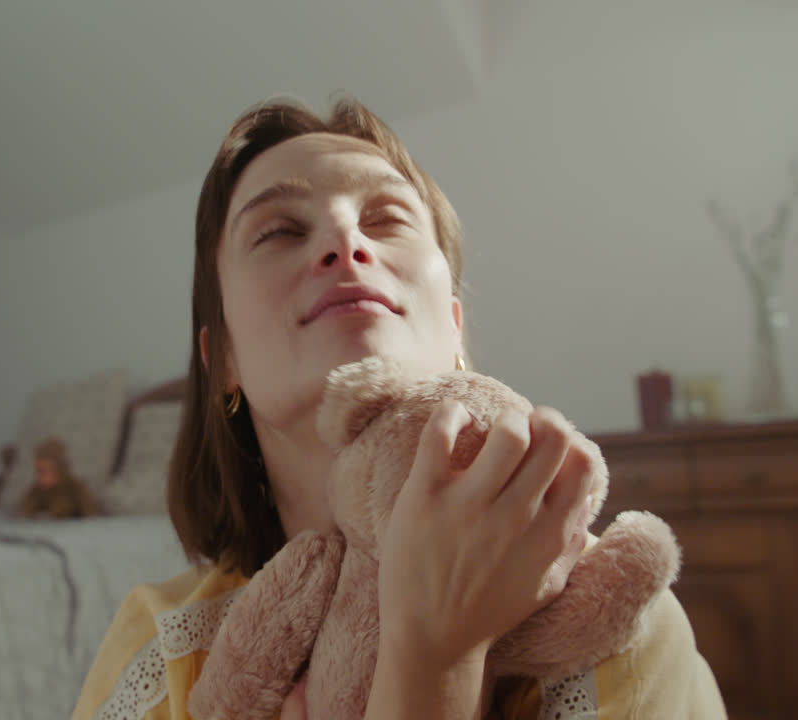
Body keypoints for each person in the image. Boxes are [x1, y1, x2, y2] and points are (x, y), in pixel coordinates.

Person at [71, 96, 726, 719]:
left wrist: (436, 654)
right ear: (224, 363)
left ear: (454, 327)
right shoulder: (158, 650)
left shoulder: (610, 626)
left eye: (386, 217)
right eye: (279, 231)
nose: (343, 240)